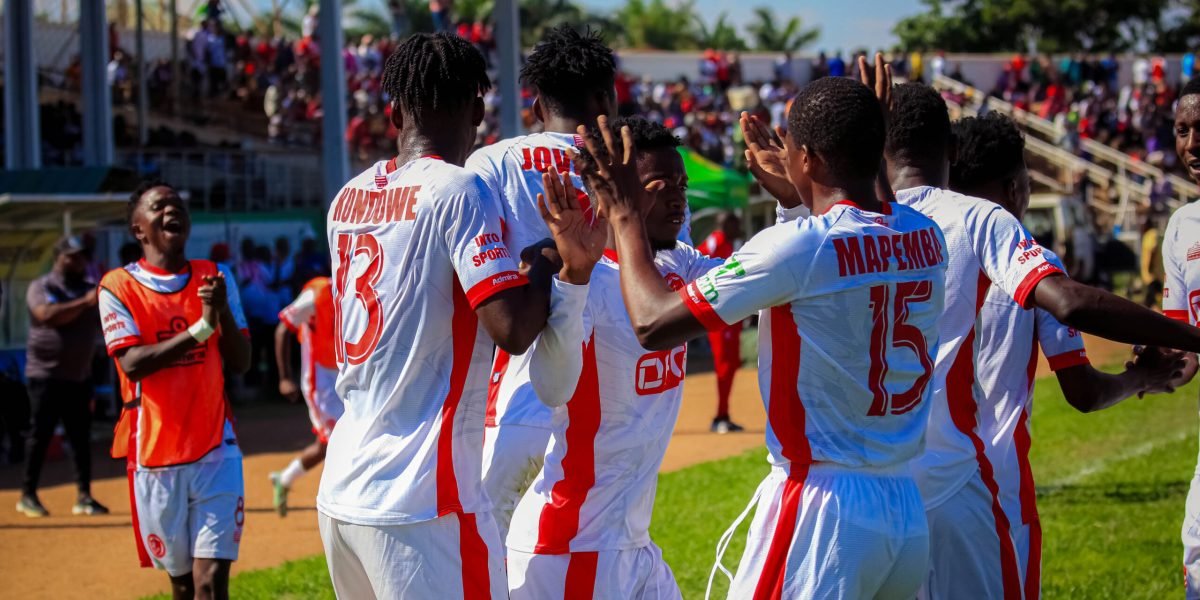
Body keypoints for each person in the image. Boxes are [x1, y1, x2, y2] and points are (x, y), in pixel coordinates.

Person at [584, 74, 948, 598]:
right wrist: (799, 204)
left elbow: (653, 322)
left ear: (810, 159)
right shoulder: (925, 234)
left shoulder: (799, 246)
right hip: (904, 510)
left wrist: (622, 212)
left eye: (794, 148)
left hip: (823, 507)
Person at [315, 33, 605, 599]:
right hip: (424, 498)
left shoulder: (345, 198)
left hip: (342, 488)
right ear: (478, 108)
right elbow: (512, 331)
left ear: (393, 111)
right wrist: (548, 263)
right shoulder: (457, 188)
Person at [884, 80, 1200, 599]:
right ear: (1014, 188)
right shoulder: (1022, 254)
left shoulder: (886, 236)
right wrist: (1142, 375)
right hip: (990, 486)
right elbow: (1083, 388)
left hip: (892, 487)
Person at [505, 118, 718, 599]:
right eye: (660, 187)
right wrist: (573, 283)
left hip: (629, 546)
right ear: (609, 193)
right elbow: (552, 389)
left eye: (681, 185)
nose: (678, 199)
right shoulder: (587, 276)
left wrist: (792, 206)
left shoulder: (677, 262)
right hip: (571, 550)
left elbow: (761, 284)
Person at [464, 25, 617, 540]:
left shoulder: (492, 161)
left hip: (521, 390)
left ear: (535, 109)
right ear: (607, 100)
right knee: (583, 548)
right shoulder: (637, 170)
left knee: (494, 550)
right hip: (616, 398)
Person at [100, 180, 252, 599]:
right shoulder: (116, 287)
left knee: (210, 583)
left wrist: (218, 311)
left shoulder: (215, 278)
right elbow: (133, 363)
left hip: (215, 449)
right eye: (159, 206)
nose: (172, 210)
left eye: (178, 204)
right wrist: (200, 330)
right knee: (183, 586)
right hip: (154, 455)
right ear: (138, 230)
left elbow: (241, 362)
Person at [16, 236, 107, 518]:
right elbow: (45, 314)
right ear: (59, 258)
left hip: (79, 376)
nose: (79, 261)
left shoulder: (90, 289)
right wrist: (84, 303)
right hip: (45, 375)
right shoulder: (42, 286)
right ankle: (27, 495)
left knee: (80, 437)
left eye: (82, 256)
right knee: (40, 436)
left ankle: (84, 496)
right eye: (72, 256)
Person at [1167, 76, 1200, 597]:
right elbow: (1183, 346)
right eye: (1181, 129)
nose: (1192, 144)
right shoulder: (1181, 226)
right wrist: (1153, 362)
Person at [269, 276, 339, 517]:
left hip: (345, 379)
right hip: (320, 382)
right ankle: (339, 500)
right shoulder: (316, 294)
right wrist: (284, 377)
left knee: (328, 443)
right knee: (335, 442)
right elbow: (282, 329)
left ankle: (285, 478)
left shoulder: (356, 285)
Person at [697, 211, 744, 434]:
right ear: (725, 224)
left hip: (732, 316)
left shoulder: (731, 244)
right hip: (721, 316)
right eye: (735, 224)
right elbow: (698, 263)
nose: (739, 228)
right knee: (724, 366)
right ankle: (719, 417)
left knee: (732, 364)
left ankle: (724, 414)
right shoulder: (716, 241)